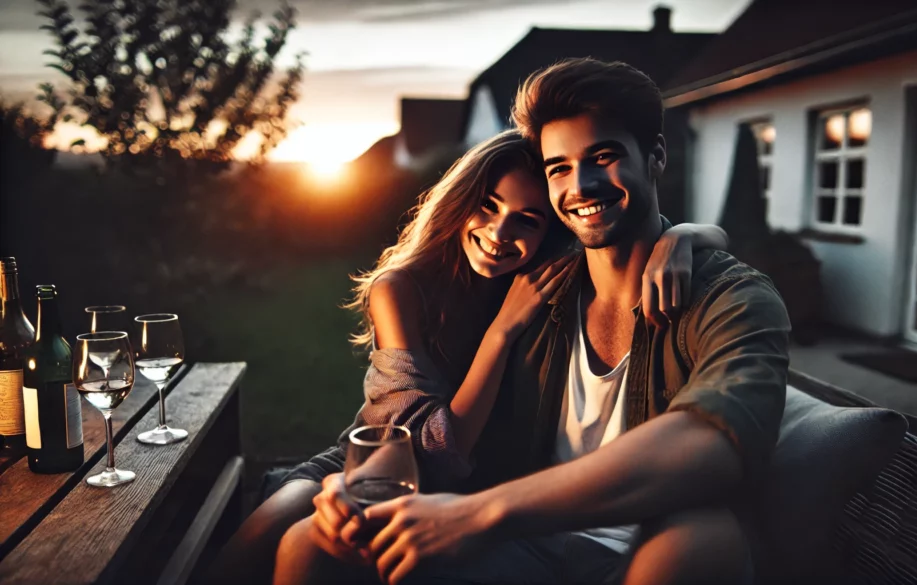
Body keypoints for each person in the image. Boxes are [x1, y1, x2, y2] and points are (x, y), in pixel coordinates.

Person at [279, 58, 791, 585]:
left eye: (604, 157)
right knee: (309, 542)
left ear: (656, 156)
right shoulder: (533, 288)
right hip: (521, 551)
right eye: (559, 169)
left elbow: (715, 441)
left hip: (641, 544)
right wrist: (364, 485)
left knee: (704, 541)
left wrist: (482, 513)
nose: (582, 185)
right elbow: (429, 428)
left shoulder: (732, 299)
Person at [205, 128, 730, 585]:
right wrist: (502, 332)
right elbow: (437, 444)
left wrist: (681, 237)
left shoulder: (543, 280)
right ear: (460, 201)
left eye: (527, 220)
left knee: (305, 542)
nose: (500, 234)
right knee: (280, 520)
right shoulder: (403, 289)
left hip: (478, 480)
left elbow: (682, 233)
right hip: (390, 458)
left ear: (549, 231)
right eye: (488, 206)